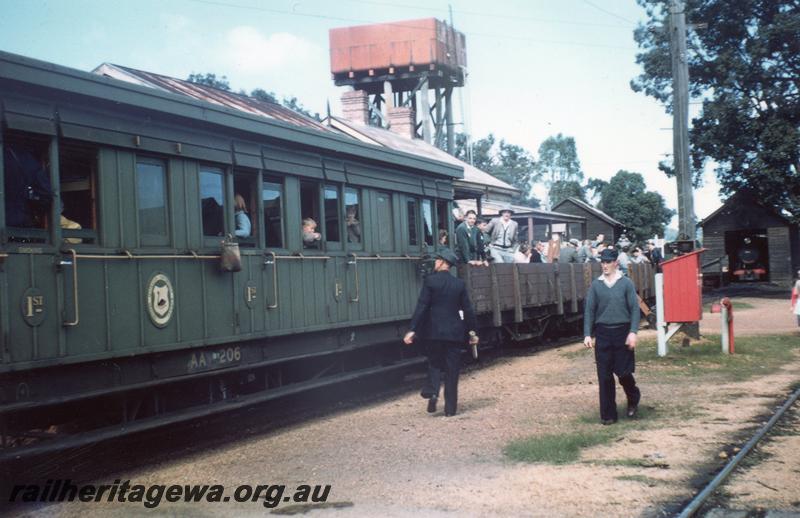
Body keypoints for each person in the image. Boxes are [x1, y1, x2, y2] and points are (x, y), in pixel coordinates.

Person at [403, 249, 479, 417]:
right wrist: (472, 332)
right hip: (454, 333)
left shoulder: (430, 281)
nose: (435, 263)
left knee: (435, 364)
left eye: (437, 260)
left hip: (434, 333)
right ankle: (450, 410)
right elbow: (468, 310)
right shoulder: (459, 284)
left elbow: (422, 307)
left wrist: (412, 330)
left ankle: (434, 391)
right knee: (452, 371)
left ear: (444, 262)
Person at [583, 248, 641, 425]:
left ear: (616, 263)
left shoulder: (626, 283)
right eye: (603, 262)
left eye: (608, 262)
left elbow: (634, 309)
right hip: (603, 334)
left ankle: (633, 397)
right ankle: (608, 416)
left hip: (622, 332)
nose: (605, 265)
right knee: (605, 376)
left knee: (623, 373)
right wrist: (587, 334)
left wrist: (633, 332)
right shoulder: (596, 285)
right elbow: (590, 311)